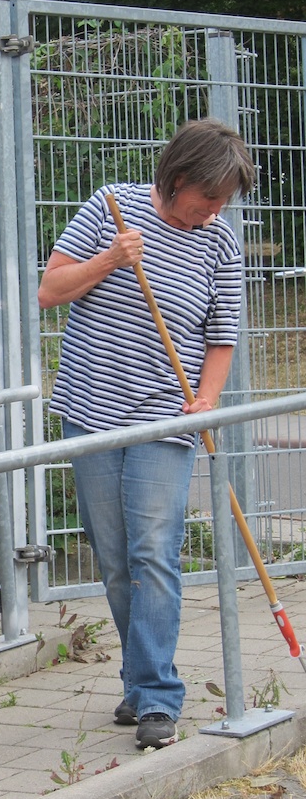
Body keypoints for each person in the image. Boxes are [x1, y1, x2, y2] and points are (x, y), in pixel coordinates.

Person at [38, 119, 256, 750]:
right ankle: (140, 685)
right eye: (208, 197)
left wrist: (205, 400)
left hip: (166, 417)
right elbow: (50, 290)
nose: (215, 210)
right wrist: (112, 258)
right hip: (92, 411)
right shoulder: (111, 208)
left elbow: (221, 335)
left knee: (153, 552)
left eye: (223, 202)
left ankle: (159, 696)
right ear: (179, 176)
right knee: (114, 560)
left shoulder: (220, 244)